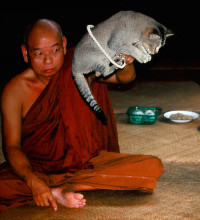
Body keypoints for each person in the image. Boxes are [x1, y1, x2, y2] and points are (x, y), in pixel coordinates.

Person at [0, 18, 163, 211]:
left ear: (64, 45)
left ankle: (65, 188)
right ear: (25, 53)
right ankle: (50, 189)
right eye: (39, 53)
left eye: (54, 50)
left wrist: (124, 62)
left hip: (85, 164)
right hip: (38, 168)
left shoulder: (78, 65)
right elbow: (11, 146)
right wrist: (33, 181)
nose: (48, 60)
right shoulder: (15, 91)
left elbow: (124, 77)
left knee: (152, 166)